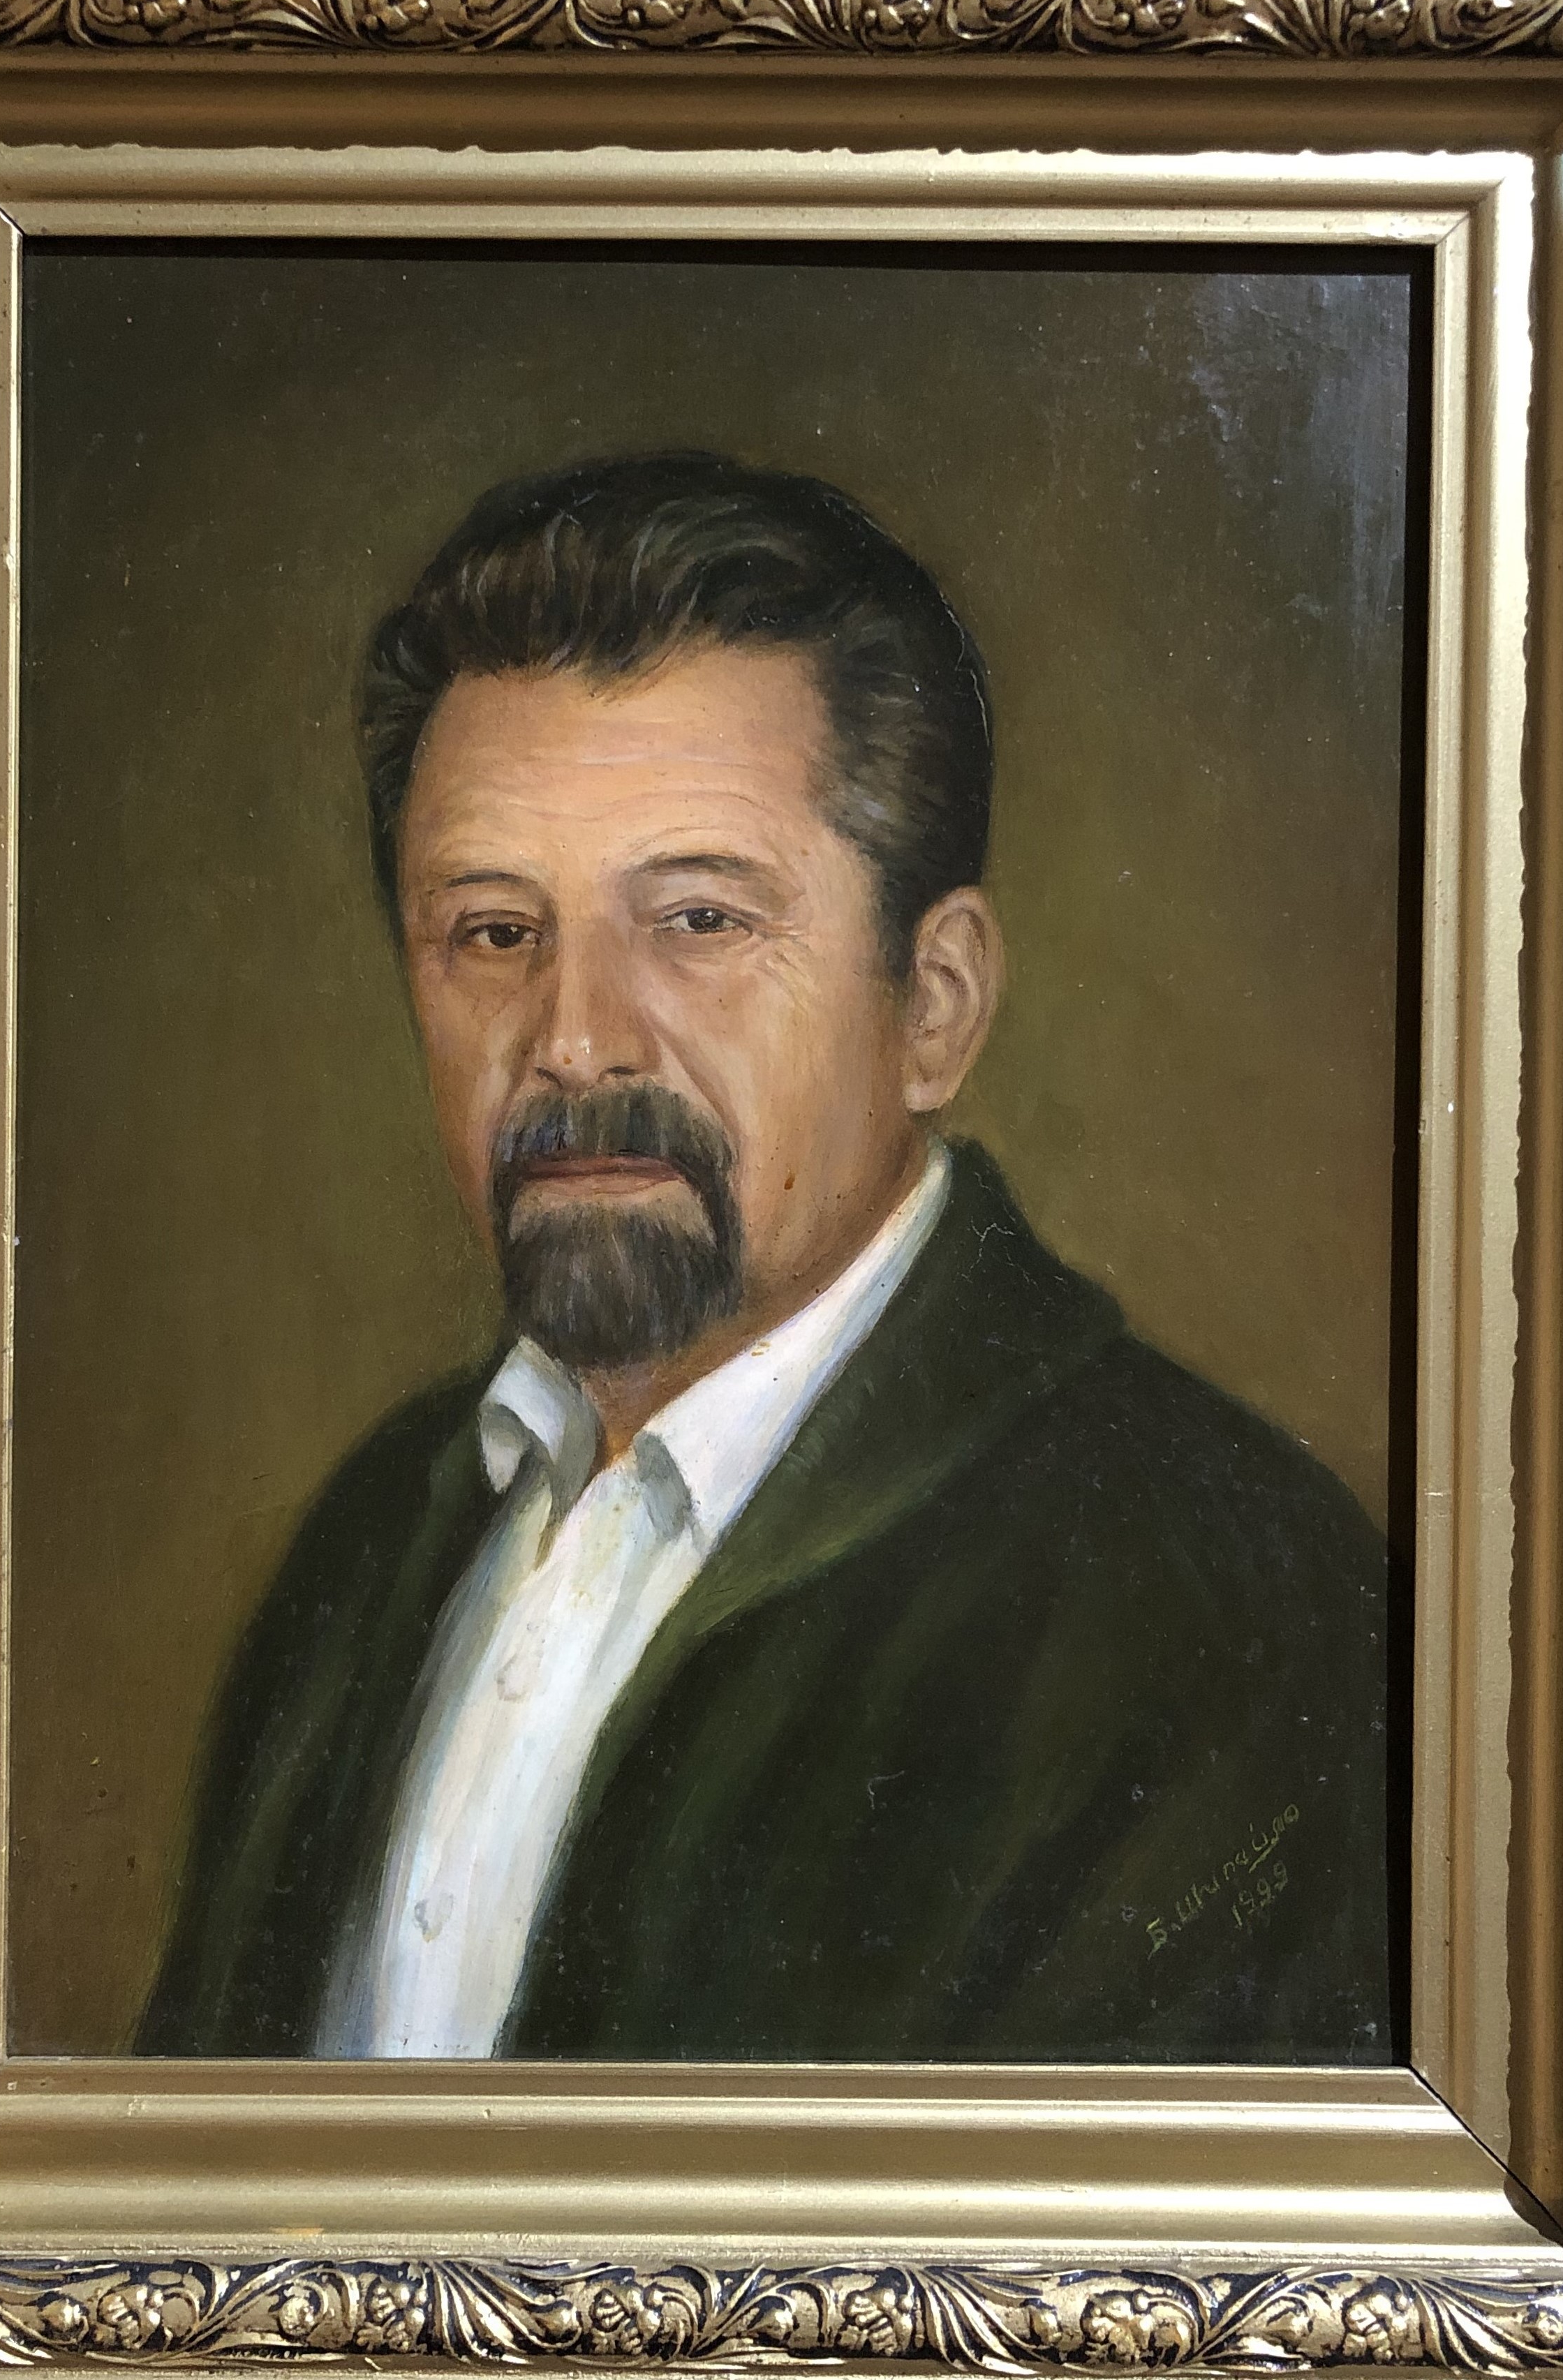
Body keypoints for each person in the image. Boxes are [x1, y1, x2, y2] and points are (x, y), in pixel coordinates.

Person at [138, 452, 1394, 2062]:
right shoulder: (374, 1539)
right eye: (494, 933)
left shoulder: (1219, 1613)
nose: (574, 1039)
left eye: (698, 922)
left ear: (932, 1004)